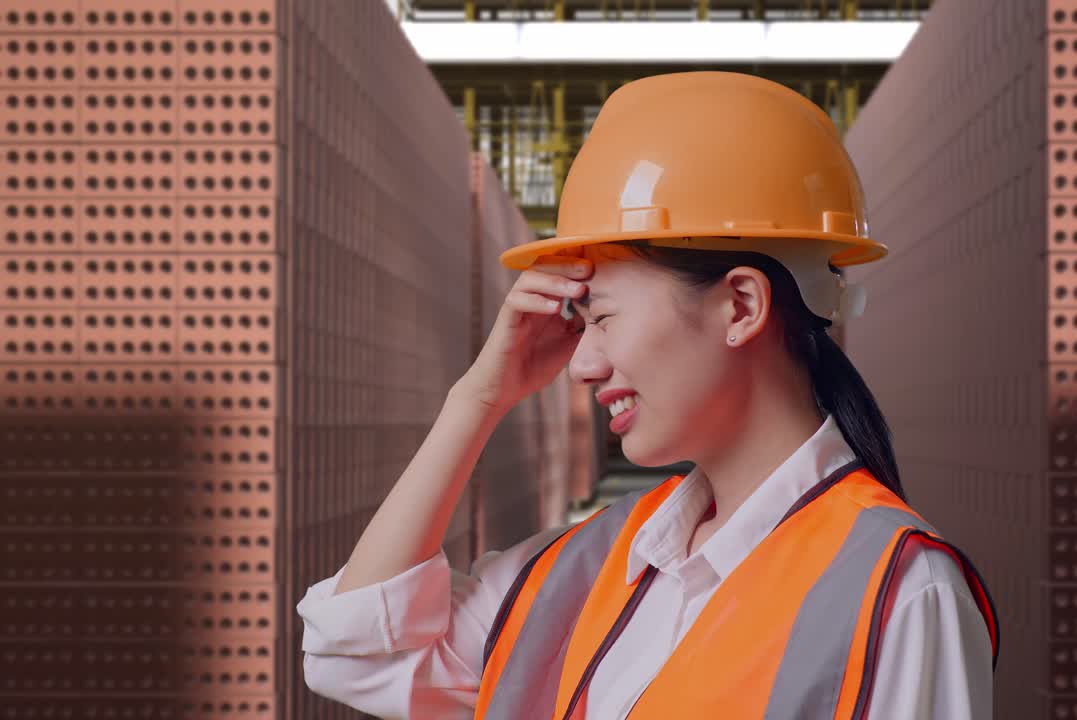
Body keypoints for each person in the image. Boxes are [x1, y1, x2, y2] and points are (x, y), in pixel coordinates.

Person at [297, 71, 1000, 719]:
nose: (582, 365)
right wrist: (476, 398)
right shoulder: (599, 561)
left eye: (601, 317)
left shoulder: (900, 589)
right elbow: (357, 650)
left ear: (741, 306)